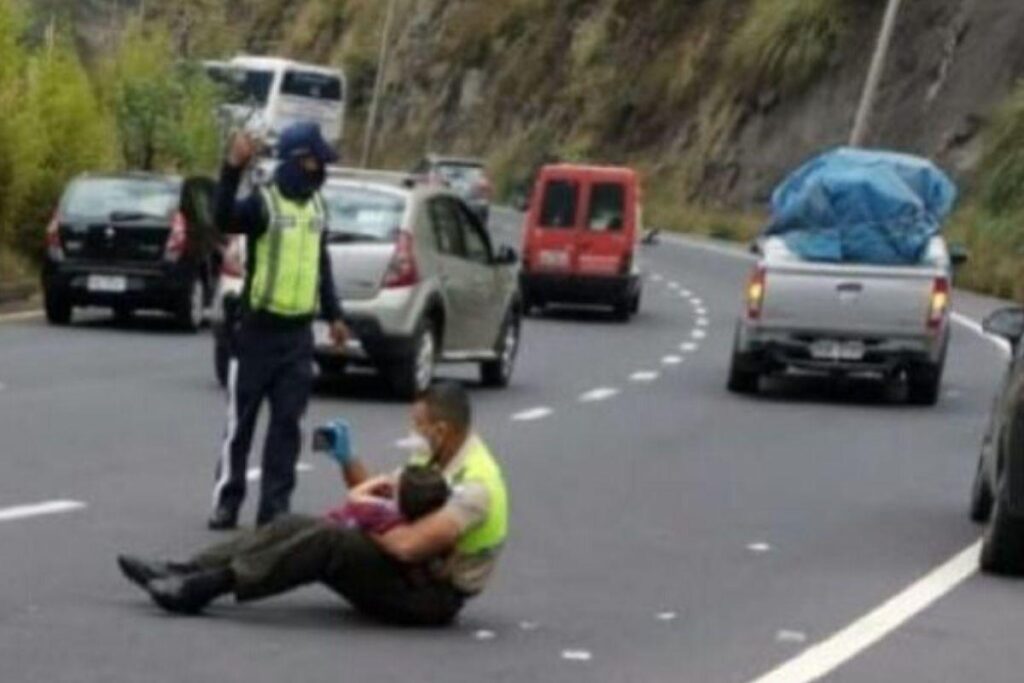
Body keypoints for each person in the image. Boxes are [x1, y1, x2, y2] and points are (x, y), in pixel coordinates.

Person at [117, 382, 509, 627]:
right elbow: (381, 499)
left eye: (419, 427)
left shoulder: (476, 486)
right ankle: (183, 568)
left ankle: (203, 588)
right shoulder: (433, 458)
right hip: (405, 572)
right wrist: (347, 460)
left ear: (442, 431)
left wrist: (361, 517)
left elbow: (407, 545)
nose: (414, 434)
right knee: (291, 524)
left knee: (329, 539)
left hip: (428, 596)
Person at [210, 122, 350, 530]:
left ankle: (275, 509)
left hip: (298, 337)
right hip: (257, 332)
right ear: (296, 161)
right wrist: (231, 169)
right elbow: (223, 218)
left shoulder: (317, 209)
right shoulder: (263, 204)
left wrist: (335, 315)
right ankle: (227, 501)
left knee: (288, 427)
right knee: (241, 425)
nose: (320, 169)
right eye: (314, 161)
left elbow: (321, 268)